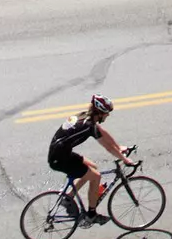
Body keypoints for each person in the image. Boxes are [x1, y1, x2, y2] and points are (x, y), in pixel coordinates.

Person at [47, 94, 128, 223]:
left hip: (61, 154)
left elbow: (102, 133)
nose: (108, 116)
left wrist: (119, 147)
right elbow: (108, 147)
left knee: (93, 167)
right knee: (96, 176)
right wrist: (125, 160)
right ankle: (92, 214)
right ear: (100, 113)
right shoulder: (88, 126)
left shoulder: (85, 116)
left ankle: (68, 198)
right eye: (106, 113)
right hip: (60, 159)